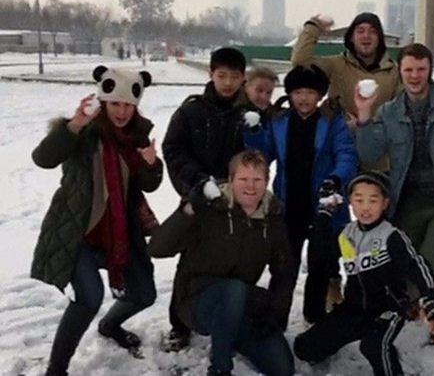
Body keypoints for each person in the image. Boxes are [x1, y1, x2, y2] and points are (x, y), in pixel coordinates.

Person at [32, 66, 160, 376]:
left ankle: (109, 325)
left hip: (119, 234)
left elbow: (150, 184)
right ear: (103, 101)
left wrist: (152, 165)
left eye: (127, 104)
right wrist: (75, 124)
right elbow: (43, 158)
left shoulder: (138, 136)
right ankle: (56, 369)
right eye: (114, 103)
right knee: (89, 297)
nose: (121, 111)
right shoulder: (84, 133)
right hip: (79, 234)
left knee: (144, 294)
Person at [354, 43, 434, 347]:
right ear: (400, 72)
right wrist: (364, 115)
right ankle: (410, 309)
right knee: (403, 261)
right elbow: (370, 152)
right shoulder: (390, 111)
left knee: (431, 262)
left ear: (430, 69)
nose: (415, 76)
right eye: (408, 70)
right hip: (409, 197)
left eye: (421, 69)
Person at [148, 150, 295, 376]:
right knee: (232, 291)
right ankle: (220, 368)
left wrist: (277, 313)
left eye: (258, 180)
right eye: (243, 179)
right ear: (230, 179)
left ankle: (230, 334)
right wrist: (189, 209)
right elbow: (157, 248)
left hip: (243, 302)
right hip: (197, 300)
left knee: (282, 368)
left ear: (266, 181)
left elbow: (284, 270)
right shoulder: (210, 208)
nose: (251, 186)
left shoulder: (272, 217)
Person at [161, 46, 263, 351]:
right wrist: (198, 182)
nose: (228, 82)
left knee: (236, 259)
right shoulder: (191, 111)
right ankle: (179, 324)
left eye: (234, 76)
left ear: (243, 78)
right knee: (190, 262)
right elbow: (174, 149)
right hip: (200, 197)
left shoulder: (250, 115)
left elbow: (261, 155)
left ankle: (229, 317)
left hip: (238, 200)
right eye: (222, 75)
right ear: (211, 75)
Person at [294, 171, 434, 376]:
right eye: (359, 199)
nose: (365, 207)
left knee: (373, 345)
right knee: (304, 348)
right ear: (350, 203)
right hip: (353, 309)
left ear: (385, 203)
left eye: (373, 200)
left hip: (388, 310)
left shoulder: (391, 235)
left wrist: (430, 299)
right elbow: (322, 255)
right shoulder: (346, 234)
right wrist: (324, 214)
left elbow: (416, 264)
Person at [248, 64, 357, 325]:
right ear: (290, 95)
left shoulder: (333, 123)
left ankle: (315, 315)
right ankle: (277, 317)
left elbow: (347, 155)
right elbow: (264, 155)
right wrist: (253, 133)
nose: (304, 98)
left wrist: (336, 179)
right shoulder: (280, 122)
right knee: (285, 266)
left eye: (310, 92)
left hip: (324, 207)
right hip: (289, 205)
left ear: (319, 96)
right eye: (298, 92)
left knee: (321, 264)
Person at [291, 12, 401, 134]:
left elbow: (400, 113)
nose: (366, 36)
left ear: (380, 38)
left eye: (373, 31)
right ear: (351, 37)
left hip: (380, 145)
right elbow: (300, 61)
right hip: (340, 142)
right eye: (360, 31)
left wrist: (365, 126)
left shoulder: (394, 72)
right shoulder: (336, 65)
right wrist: (313, 27)